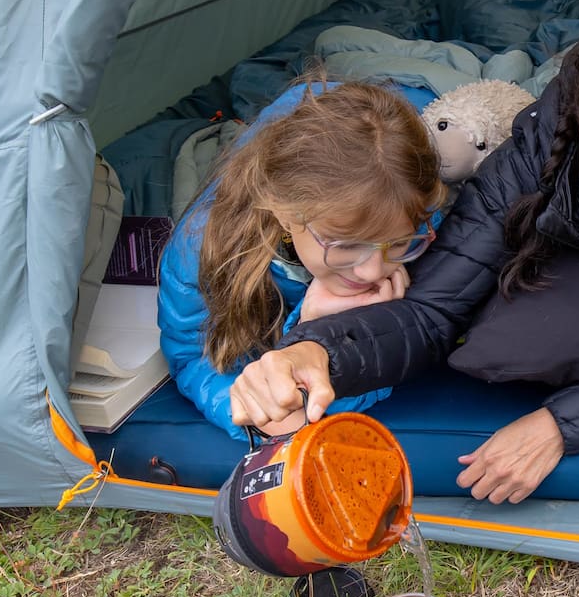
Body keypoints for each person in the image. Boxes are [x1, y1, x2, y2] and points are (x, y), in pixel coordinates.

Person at [248, 1, 579, 502]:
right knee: (509, 335)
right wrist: (315, 353)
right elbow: (434, 309)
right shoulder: (537, 146)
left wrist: (561, 423)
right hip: (561, 243)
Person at [156, 80, 444, 438]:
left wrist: (329, 330)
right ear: (284, 213)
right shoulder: (200, 249)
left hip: (420, 94)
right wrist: (264, 415)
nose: (373, 270)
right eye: (345, 244)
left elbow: (414, 345)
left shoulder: (419, 208)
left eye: (398, 242)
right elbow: (192, 356)